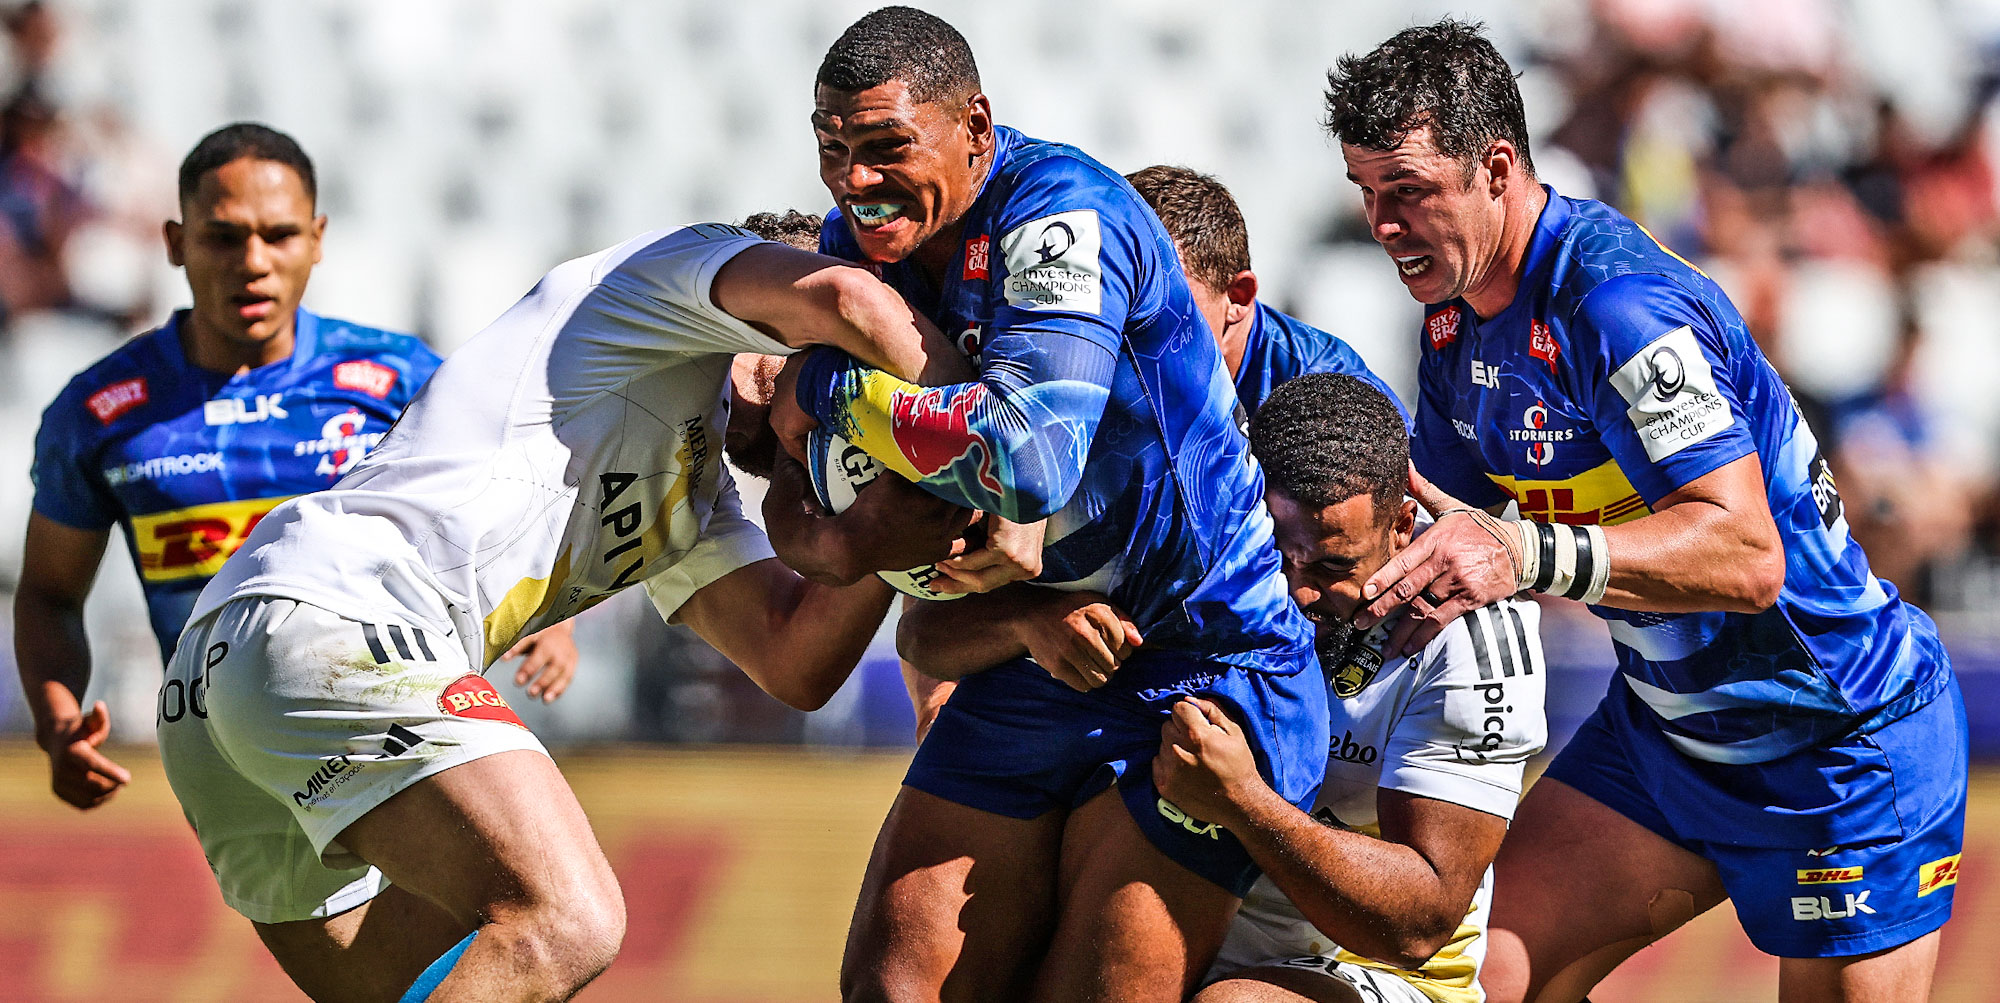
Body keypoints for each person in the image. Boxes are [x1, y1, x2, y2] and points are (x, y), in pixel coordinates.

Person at [155, 211, 974, 1003]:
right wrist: (970, 452)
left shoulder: (694, 495)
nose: (839, 421)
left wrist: (891, 524)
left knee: (458, 974)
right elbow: (852, 300)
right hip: (338, 610)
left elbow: (794, 659)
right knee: (569, 922)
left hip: (226, 669)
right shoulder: (662, 280)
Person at [1327, 21, 1967, 1003]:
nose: (1382, 224)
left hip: (1839, 743)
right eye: (1365, 194)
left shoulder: (1616, 305)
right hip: (1667, 737)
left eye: (1407, 191)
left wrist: (1523, 552)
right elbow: (1434, 518)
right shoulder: (1452, 323)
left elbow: (1747, 555)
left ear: (1496, 168)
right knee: (1480, 980)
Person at [778, 8, 1327, 1000]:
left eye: (887, 146)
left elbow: (1024, 459)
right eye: (833, 151)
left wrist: (819, 389)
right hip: (1039, 649)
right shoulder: (853, 244)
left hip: (1205, 650)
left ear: (975, 126)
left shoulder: (1059, 213)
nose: (856, 181)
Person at [901, 372, 1546, 1003]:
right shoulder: (1198, 548)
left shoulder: (1474, 637)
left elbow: (1419, 925)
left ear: (1402, 524)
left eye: (1331, 566)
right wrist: (1028, 620)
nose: (1297, 591)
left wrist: (1244, 803)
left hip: (1375, 974)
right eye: (1275, 553)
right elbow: (924, 635)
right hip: (1193, 936)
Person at [15, 122, 575, 814]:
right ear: (174, 242)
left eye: (278, 235)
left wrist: (551, 609)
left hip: (399, 732)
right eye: (223, 236)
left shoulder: (399, 378)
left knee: (532, 917)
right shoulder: (100, 412)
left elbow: (516, 497)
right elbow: (48, 593)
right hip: (233, 767)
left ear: (316, 239)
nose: (253, 260)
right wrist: (57, 721)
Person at [898, 165, 1408, 740]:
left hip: (1285, 687)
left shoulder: (1330, 397)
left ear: (1237, 298)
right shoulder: (1055, 369)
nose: (1129, 336)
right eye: (1111, 309)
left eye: (1168, 312)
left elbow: (1389, 549)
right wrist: (979, 663)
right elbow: (923, 602)